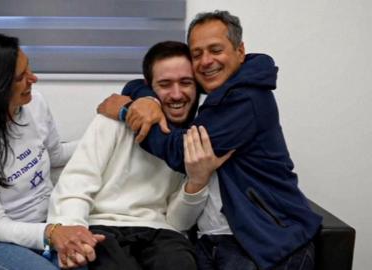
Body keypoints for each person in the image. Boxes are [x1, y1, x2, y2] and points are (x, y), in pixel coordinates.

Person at [98, 10, 322, 270]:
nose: (206, 61)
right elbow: (146, 82)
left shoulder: (247, 98)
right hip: (213, 242)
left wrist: (128, 113)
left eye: (215, 50)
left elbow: (182, 152)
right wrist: (145, 100)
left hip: (264, 244)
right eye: (197, 54)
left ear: (240, 51)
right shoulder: (218, 87)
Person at [47, 41, 232, 270]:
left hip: (161, 232)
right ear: (149, 87)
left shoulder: (193, 136)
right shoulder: (112, 120)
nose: (176, 94)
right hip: (103, 226)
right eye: (165, 84)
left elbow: (177, 222)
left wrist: (196, 181)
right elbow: (76, 182)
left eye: (186, 83)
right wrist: (74, 231)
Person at [0, 32, 104, 270]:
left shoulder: (35, 103)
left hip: (44, 225)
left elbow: (56, 155)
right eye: (20, 77)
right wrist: (52, 233)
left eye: (29, 69)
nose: (33, 79)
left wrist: (104, 132)